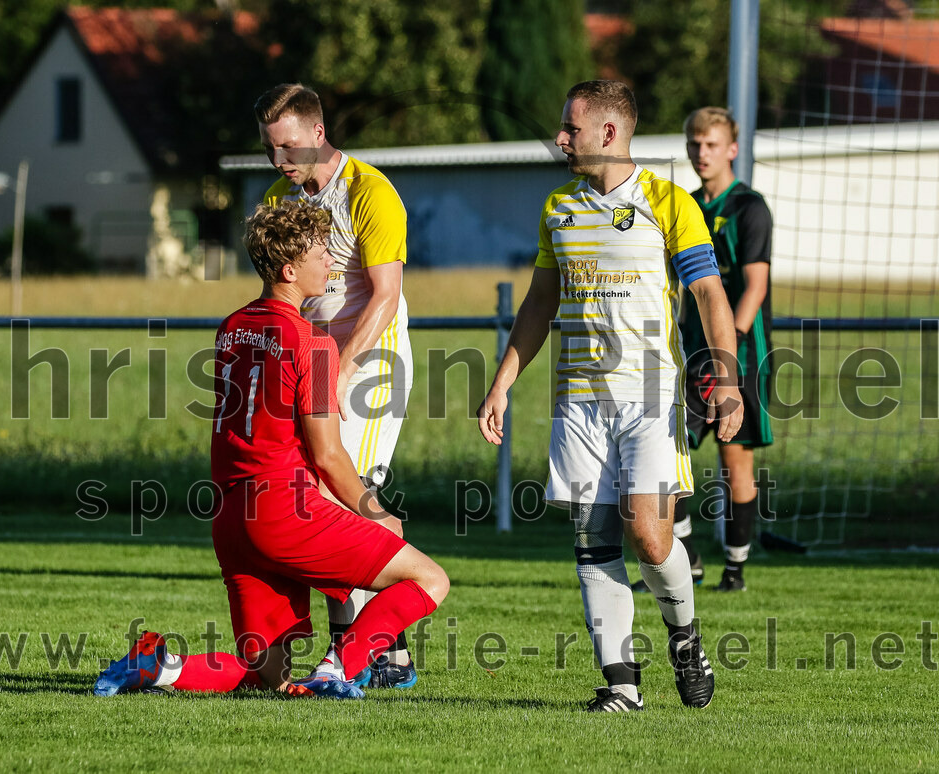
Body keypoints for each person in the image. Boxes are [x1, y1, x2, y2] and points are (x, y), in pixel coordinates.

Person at [93, 201, 447, 700]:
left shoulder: (230, 328)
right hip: (285, 511)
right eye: (322, 253)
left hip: (232, 517)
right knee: (430, 579)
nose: (332, 262)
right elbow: (328, 454)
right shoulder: (314, 343)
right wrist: (375, 510)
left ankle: (158, 668)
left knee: (266, 675)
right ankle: (338, 668)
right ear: (288, 269)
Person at [477, 81, 743, 713]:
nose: (560, 139)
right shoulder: (559, 208)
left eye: (570, 128)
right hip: (579, 401)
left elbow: (708, 295)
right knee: (593, 538)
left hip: (650, 397)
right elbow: (541, 302)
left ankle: (684, 636)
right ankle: (621, 684)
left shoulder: (668, 201)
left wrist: (727, 379)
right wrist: (503, 380)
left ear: (607, 133)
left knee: (650, 538)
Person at [256, 83, 417, 688]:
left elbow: (386, 295)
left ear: (318, 134)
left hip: (371, 365)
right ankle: (383, 650)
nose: (280, 162)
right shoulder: (280, 198)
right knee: (315, 502)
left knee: (343, 497)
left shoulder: (371, 192)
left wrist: (342, 367)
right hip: (312, 363)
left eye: (289, 147)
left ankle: (356, 653)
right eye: (272, 151)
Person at [633, 107, 773, 594]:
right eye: (695, 144)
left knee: (734, 460)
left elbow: (754, 287)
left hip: (739, 354)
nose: (701, 153)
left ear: (732, 149)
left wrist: (724, 354)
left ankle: (734, 570)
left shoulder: (749, 207)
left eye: (712, 144)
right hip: (687, 355)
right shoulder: (684, 206)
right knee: (669, 458)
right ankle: (688, 561)